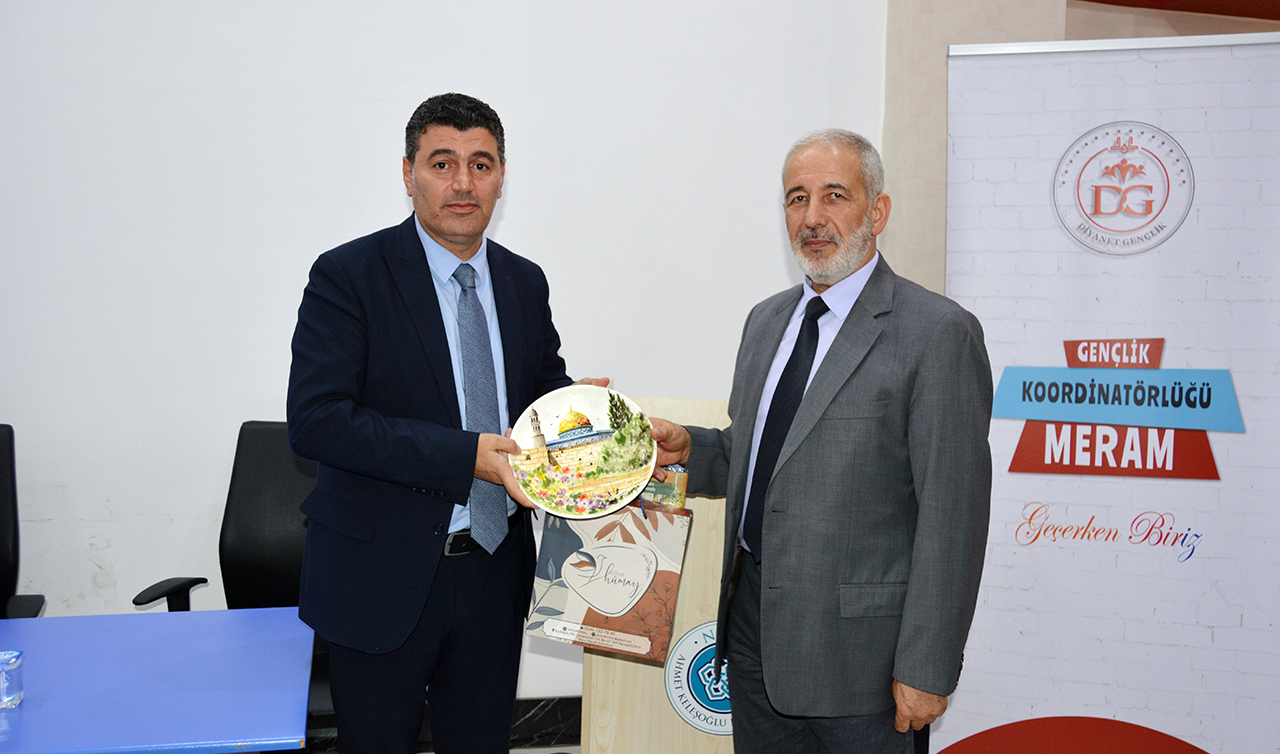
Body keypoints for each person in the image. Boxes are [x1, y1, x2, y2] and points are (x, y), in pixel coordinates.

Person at [651, 129, 992, 753]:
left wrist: (927, 665)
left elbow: (954, 516)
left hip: (864, 665)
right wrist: (693, 452)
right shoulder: (765, 321)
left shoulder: (938, 332)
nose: (812, 217)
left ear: (877, 211)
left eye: (834, 195)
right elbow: (765, 455)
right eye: (796, 198)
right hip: (752, 641)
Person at [287, 93, 602, 754]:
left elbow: (537, 396)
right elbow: (318, 422)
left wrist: (592, 418)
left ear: (501, 176)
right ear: (408, 174)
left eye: (480, 165)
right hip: (379, 575)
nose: (463, 183)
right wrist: (467, 457)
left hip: (494, 569)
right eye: (442, 163)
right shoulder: (348, 275)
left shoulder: (523, 281)